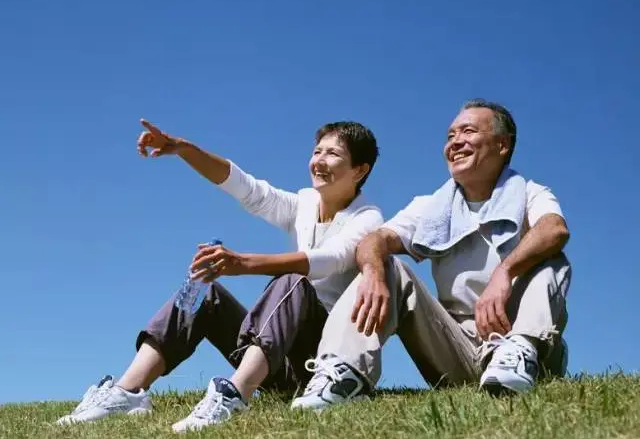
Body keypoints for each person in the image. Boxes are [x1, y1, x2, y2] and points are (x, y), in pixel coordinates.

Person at [56, 119, 382, 432]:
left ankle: (235, 394)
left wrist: (241, 262)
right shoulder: (306, 204)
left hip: (321, 368)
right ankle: (127, 393)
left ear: (360, 170)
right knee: (207, 293)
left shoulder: (368, 218)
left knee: (293, 280)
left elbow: (327, 260)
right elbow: (248, 189)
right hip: (276, 356)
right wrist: (184, 149)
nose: (319, 161)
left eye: (332, 153)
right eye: (317, 151)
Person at [292, 99, 571, 410]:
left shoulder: (531, 193)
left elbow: (554, 229)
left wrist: (504, 271)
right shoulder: (433, 207)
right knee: (385, 265)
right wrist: (373, 273)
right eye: (451, 135)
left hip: (524, 345)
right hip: (459, 349)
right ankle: (342, 376)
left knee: (551, 258)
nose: (455, 142)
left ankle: (518, 354)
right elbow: (375, 240)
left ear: (502, 145)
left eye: (468, 132)